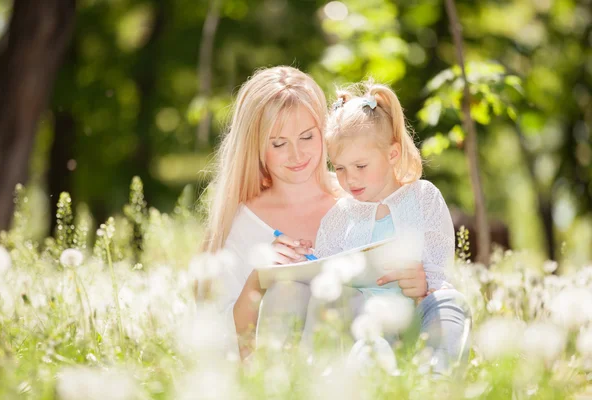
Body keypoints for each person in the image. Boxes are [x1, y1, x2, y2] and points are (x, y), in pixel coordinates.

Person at [201, 66, 436, 360]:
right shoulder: (244, 223)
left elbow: (424, 292)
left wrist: (419, 284)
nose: (297, 155)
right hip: (287, 378)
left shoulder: (363, 195)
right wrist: (258, 280)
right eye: (279, 144)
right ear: (257, 146)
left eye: (307, 137)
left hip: (369, 364)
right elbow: (225, 342)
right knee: (287, 293)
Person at [294, 81, 470, 373]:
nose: (349, 179)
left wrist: (423, 284)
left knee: (452, 303)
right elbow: (328, 284)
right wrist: (311, 264)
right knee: (352, 324)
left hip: (417, 316)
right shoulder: (339, 218)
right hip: (363, 324)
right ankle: (365, 373)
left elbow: (439, 271)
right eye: (339, 168)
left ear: (392, 154)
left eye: (360, 166)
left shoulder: (423, 197)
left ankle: (436, 380)